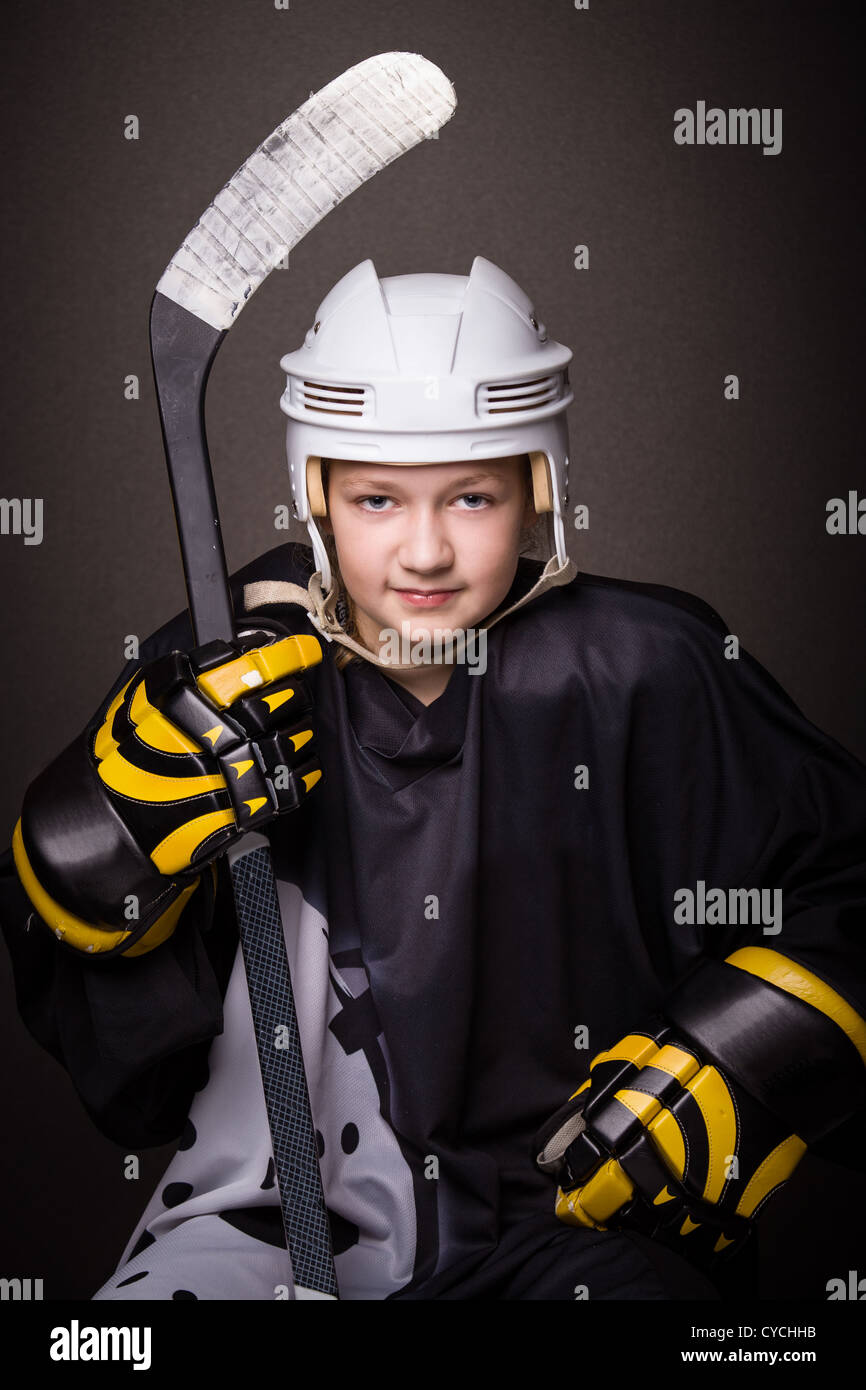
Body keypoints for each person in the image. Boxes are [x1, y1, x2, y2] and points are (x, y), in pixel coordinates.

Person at [1, 256, 865, 1301]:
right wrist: (94, 857)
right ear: (311, 488)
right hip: (270, 1222)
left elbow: (843, 889)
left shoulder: (646, 666)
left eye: (469, 494)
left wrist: (746, 1058)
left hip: (574, 1223)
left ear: (538, 484)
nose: (423, 550)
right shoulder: (225, 671)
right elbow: (110, 1040)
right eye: (374, 497)